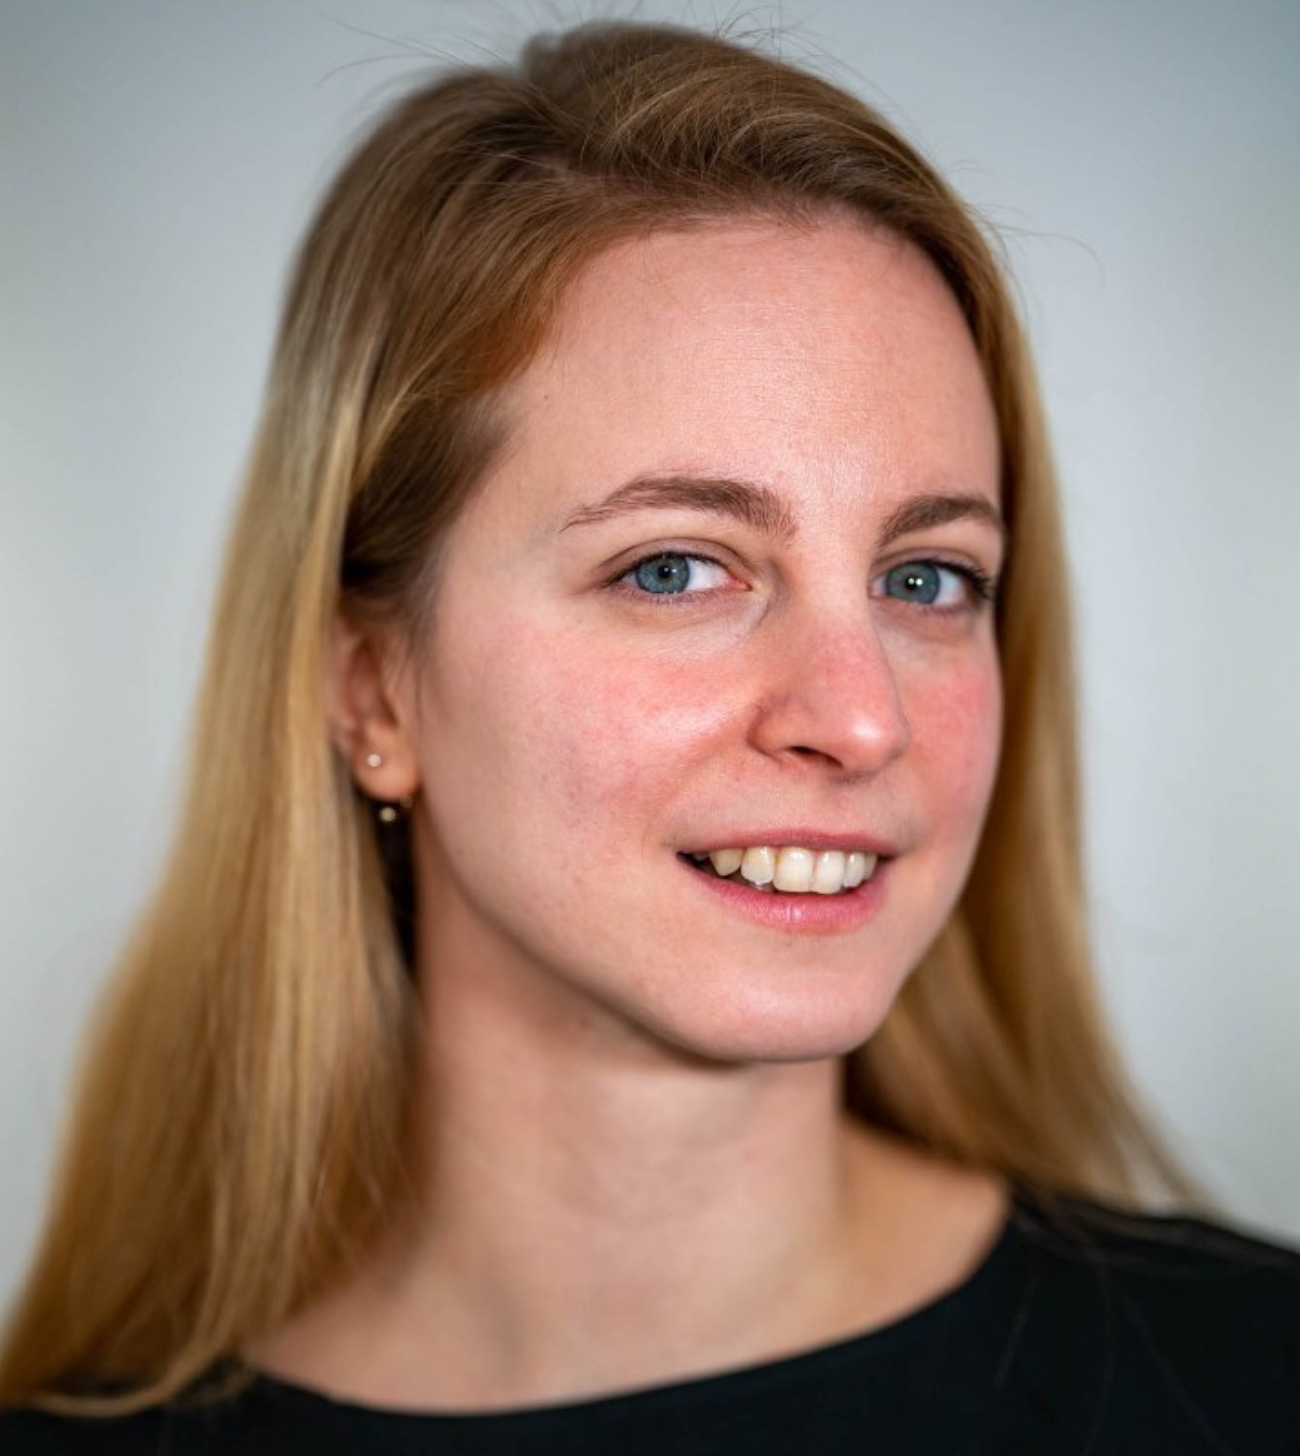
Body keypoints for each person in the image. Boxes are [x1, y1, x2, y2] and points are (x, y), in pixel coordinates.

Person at [1, 19, 1296, 1453]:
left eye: (928, 579)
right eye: (675, 568)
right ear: (372, 691)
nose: (860, 718)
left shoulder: (1248, 1385)